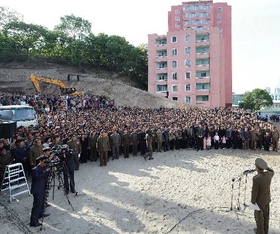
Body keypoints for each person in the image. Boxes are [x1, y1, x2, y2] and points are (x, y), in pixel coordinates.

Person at [251, 158, 274, 234]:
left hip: (259, 203)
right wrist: (265, 167)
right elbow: (272, 171)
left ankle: (260, 232)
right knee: (266, 218)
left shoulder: (256, 178)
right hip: (267, 200)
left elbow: (254, 193)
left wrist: (253, 202)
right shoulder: (268, 175)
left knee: (259, 220)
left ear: (257, 167)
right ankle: (266, 231)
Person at [30, 155, 50, 227]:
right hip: (37, 190)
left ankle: (40, 214)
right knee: (37, 205)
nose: (45, 163)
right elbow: (37, 177)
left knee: (42, 203)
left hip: (43, 188)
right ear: (40, 161)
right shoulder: (35, 169)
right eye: (44, 162)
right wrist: (46, 171)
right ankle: (33, 222)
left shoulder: (44, 168)